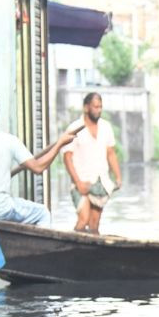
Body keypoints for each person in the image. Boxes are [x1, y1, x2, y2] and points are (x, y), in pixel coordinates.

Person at [0, 97, 77, 227]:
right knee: (43, 213)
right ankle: (39, 247)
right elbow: (38, 168)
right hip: (1, 210)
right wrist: (59, 144)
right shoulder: (9, 141)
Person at [62, 92, 122, 234]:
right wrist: (78, 182)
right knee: (83, 220)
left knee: (94, 225)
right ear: (86, 107)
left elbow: (111, 153)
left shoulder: (106, 127)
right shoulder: (74, 128)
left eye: (100, 107)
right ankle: (70, 251)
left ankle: (92, 255)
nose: (98, 110)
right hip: (81, 181)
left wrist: (118, 176)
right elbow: (67, 158)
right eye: (95, 107)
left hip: (100, 182)